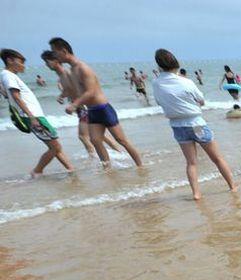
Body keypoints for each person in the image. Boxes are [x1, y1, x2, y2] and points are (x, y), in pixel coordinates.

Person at [152, 49, 236, 200]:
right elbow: (201, 101)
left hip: (177, 126)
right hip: (196, 123)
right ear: (176, 64)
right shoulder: (186, 81)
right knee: (217, 158)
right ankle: (232, 186)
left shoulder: (156, 83)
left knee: (191, 163)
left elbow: (159, 102)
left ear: (159, 66)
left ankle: (196, 193)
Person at [48, 37, 142, 168]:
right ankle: (107, 169)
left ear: (64, 51)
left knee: (121, 140)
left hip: (103, 108)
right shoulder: (72, 70)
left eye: (55, 52)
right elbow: (75, 89)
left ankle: (141, 166)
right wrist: (64, 96)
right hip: (92, 110)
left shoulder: (82, 68)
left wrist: (75, 104)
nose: (54, 55)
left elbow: (91, 91)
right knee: (95, 140)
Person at [1, 48, 74, 177]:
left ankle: (70, 169)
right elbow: (16, 97)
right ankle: (37, 171)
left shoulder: (7, 76)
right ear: (10, 60)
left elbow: (8, 96)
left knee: (54, 146)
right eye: (21, 62)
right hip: (33, 116)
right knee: (55, 146)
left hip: (34, 116)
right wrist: (32, 117)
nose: (23, 65)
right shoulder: (8, 76)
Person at [41, 50, 121, 158]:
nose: (46, 65)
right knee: (101, 136)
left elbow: (80, 89)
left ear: (56, 61)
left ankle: (94, 158)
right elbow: (69, 89)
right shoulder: (61, 77)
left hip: (84, 107)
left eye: (47, 62)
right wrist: (61, 96)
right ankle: (119, 153)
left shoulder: (67, 73)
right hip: (80, 108)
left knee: (83, 136)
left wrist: (78, 104)